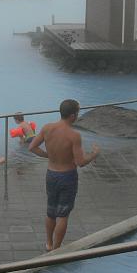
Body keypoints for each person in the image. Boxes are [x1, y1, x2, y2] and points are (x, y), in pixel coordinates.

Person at [29, 99, 99, 251]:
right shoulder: (74, 135)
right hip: (67, 177)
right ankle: (57, 248)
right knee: (63, 215)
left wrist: (49, 156)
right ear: (73, 115)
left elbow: (32, 147)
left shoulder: (47, 128)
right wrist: (94, 154)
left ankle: (48, 244)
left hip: (51, 174)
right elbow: (80, 162)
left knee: (51, 211)